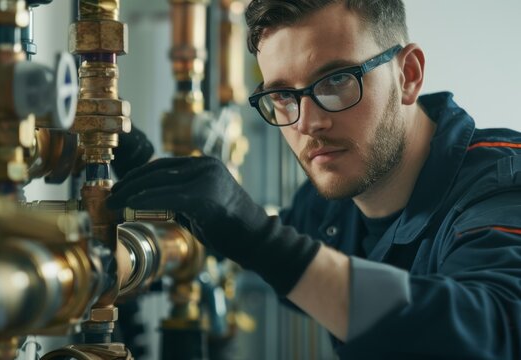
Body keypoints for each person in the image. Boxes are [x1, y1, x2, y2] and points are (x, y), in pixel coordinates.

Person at [107, 0, 521, 358]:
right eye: (283, 96)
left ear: (407, 75)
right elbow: (259, 247)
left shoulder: (501, 187)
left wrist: (262, 243)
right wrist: (157, 179)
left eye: (337, 80)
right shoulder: (334, 199)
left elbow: (493, 330)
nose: (308, 123)